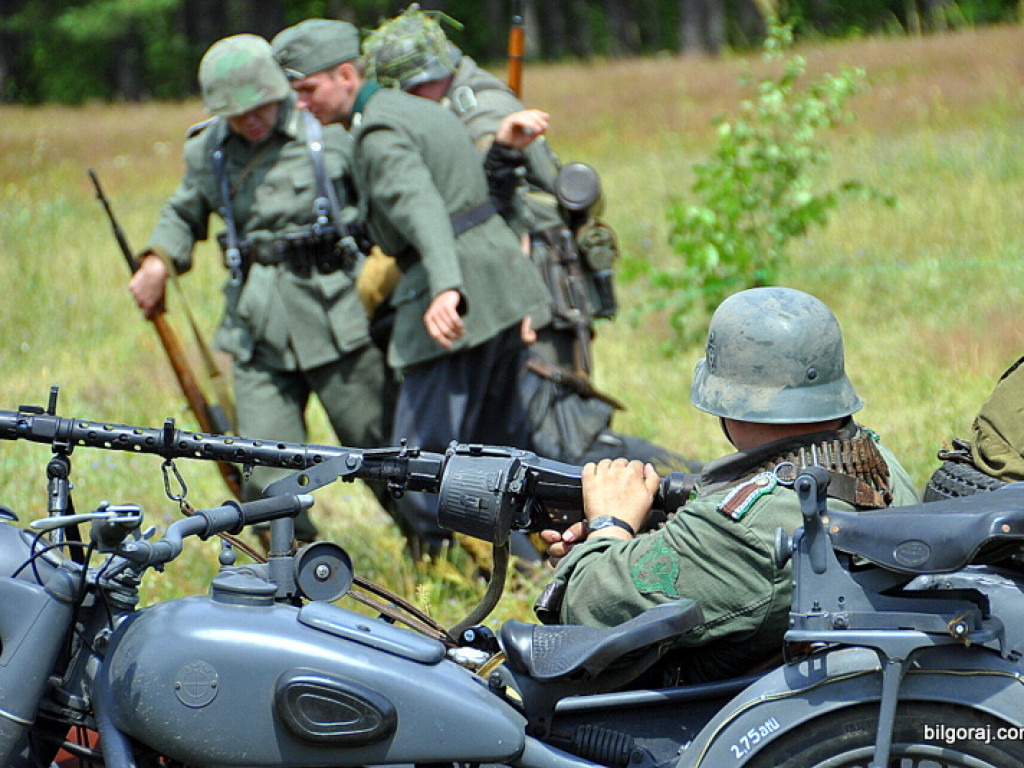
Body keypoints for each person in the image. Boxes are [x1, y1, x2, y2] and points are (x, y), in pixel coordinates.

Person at [361, 4, 697, 475]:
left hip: (531, 268)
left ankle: (686, 483)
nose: (414, 98)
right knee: (510, 435)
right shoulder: (446, 105)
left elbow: (494, 209)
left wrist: (517, 304)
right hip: (509, 274)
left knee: (556, 434)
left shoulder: (476, 109)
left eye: (419, 86)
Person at [535, 286, 919, 683]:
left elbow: (586, 609)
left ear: (728, 403)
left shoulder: (742, 527)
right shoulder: (877, 462)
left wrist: (608, 527)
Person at [270, 19, 553, 559]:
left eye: (307, 89)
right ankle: (527, 566)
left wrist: (446, 288)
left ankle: (446, 572)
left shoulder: (377, 131)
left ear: (346, 76)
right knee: (503, 451)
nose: (301, 103)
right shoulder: (418, 109)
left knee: (416, 462)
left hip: (450, 295)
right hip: (499, 289)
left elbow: (425, 213)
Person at [129, 34, 393, 544]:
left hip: (339, 316)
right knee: (265, 469)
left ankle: (442, 553)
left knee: (380, 452)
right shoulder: (211, 150)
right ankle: (293, 575)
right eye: (235, 113)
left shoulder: (331, 130)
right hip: (258, 327)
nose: (250, 120)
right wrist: (158, 260)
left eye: (259, 106)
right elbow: (184, 211)